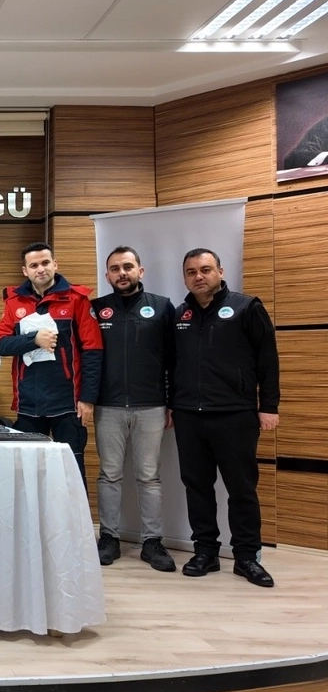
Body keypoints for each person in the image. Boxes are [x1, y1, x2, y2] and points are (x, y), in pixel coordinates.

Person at [172, 248, 279, 588]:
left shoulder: (247, 308)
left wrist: (269, 406)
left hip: (235, 415)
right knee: (197, 487)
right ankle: (205, 551)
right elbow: (171, 364)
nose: (198, 276)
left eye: (205, 269)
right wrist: (173, 403)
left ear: (220, 271)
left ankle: (247, 557)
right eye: (191, 272)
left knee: (241, 489)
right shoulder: (180, 314)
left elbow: (268, 360)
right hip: (189, 415)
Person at [92, 246, 176, 572]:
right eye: (115, 268)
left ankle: (152, 542)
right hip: (108, 406)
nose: (122, 273)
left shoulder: (163, 307)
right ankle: (109, 537)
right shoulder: (96, 309)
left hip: (151, 405)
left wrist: (171, 402)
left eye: (127, 267)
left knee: (149, 476)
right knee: (109, 475)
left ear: (140, 271)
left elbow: (174, 359)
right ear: (107, 275)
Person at [0, 242, 103, 483]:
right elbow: (0, 344)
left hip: (68, 403)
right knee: (28, 475)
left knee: (71, 472)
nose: (40, 269)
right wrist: (33, 340)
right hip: (28, 403)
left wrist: (88, 398)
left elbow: (93, 350)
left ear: (55, 264)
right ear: (25, 271)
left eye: (45, 263)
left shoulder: (77, 299)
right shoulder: (14, 302)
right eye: (34, 265)